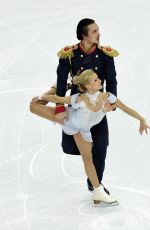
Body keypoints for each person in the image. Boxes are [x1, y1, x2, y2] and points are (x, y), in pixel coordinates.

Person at [30, 69, 149, 204]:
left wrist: (141, 119)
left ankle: (98, 192)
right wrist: (42, 97)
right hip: (68, 119)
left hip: (81, 131)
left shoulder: (107, 97)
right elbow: (58, 99)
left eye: (98, 78)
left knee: (88, 160)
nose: (100, 81)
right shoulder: (79, 98)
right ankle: (54, 87)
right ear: (87, 86)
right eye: (95, 80)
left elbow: (126, 108)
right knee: (33, 107)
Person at [52, 18, 119, 194]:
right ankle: (93, 175)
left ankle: (95, 182)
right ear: (84, 35)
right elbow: (61, 82)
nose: (99, 33)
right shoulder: (70, 54)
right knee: (74, 147)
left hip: (97, 104)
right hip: (78, 105)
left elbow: (111, 80)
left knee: (102, 144)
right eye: (94, 31)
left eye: (98, 30)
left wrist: (112, 101)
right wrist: (59, 107)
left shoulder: (105, 54)